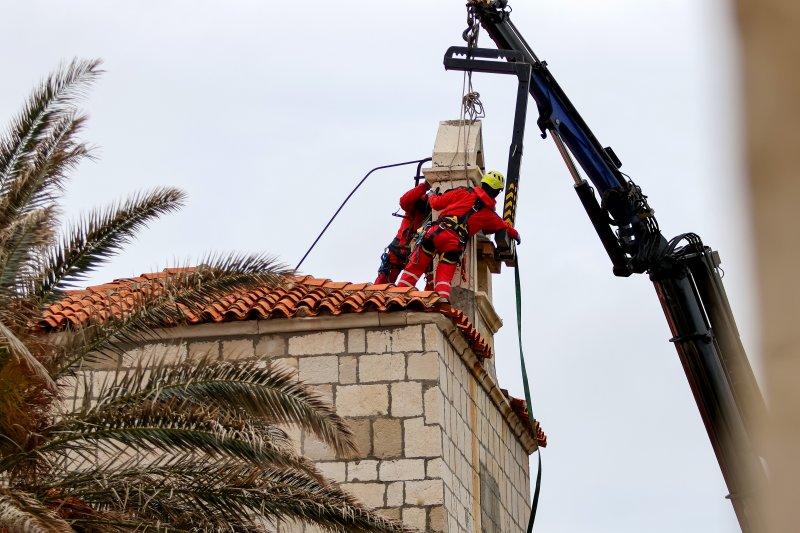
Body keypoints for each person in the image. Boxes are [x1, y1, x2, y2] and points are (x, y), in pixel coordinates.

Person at [396, 170, 521, 302]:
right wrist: (516, 235)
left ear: (483, 183)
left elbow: (436, 204)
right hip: (454, 244)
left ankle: (399, 294)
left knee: (415, 267)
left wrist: (432, 195)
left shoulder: (463, 192)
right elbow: (505, 227)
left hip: (436, 233)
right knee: (444, 277)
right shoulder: (490, 215)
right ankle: (442, 301)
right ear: (496, 192)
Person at [375, 181, 432, 286]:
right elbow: (404, 201)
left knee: (431, 280)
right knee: (381, 285)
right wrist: (425, 186)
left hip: (422, 248)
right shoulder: (419, 202)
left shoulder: (440, 207)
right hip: (401, 247)